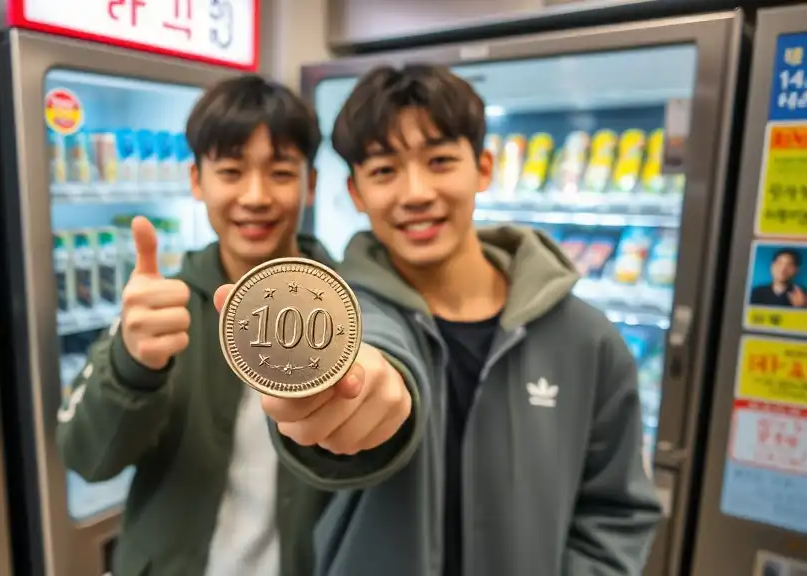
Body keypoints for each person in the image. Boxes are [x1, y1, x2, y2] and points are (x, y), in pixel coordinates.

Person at [213, 64, 662, 575]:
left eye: (441, 160)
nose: (416, 192)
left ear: (484, 167)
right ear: (357, 193)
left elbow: (617, 511)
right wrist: (345, 402)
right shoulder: (343, 318)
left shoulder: (587, 340)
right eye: (384, 170)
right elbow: (370, 371)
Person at [56, 75, 337, 576]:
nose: (255, 196)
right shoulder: (160, 314)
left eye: (280, 172)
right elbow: (88, 459)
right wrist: (132, 367)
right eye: (230, 171)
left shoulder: (342, 310)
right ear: (196, 180)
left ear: (310, 183)